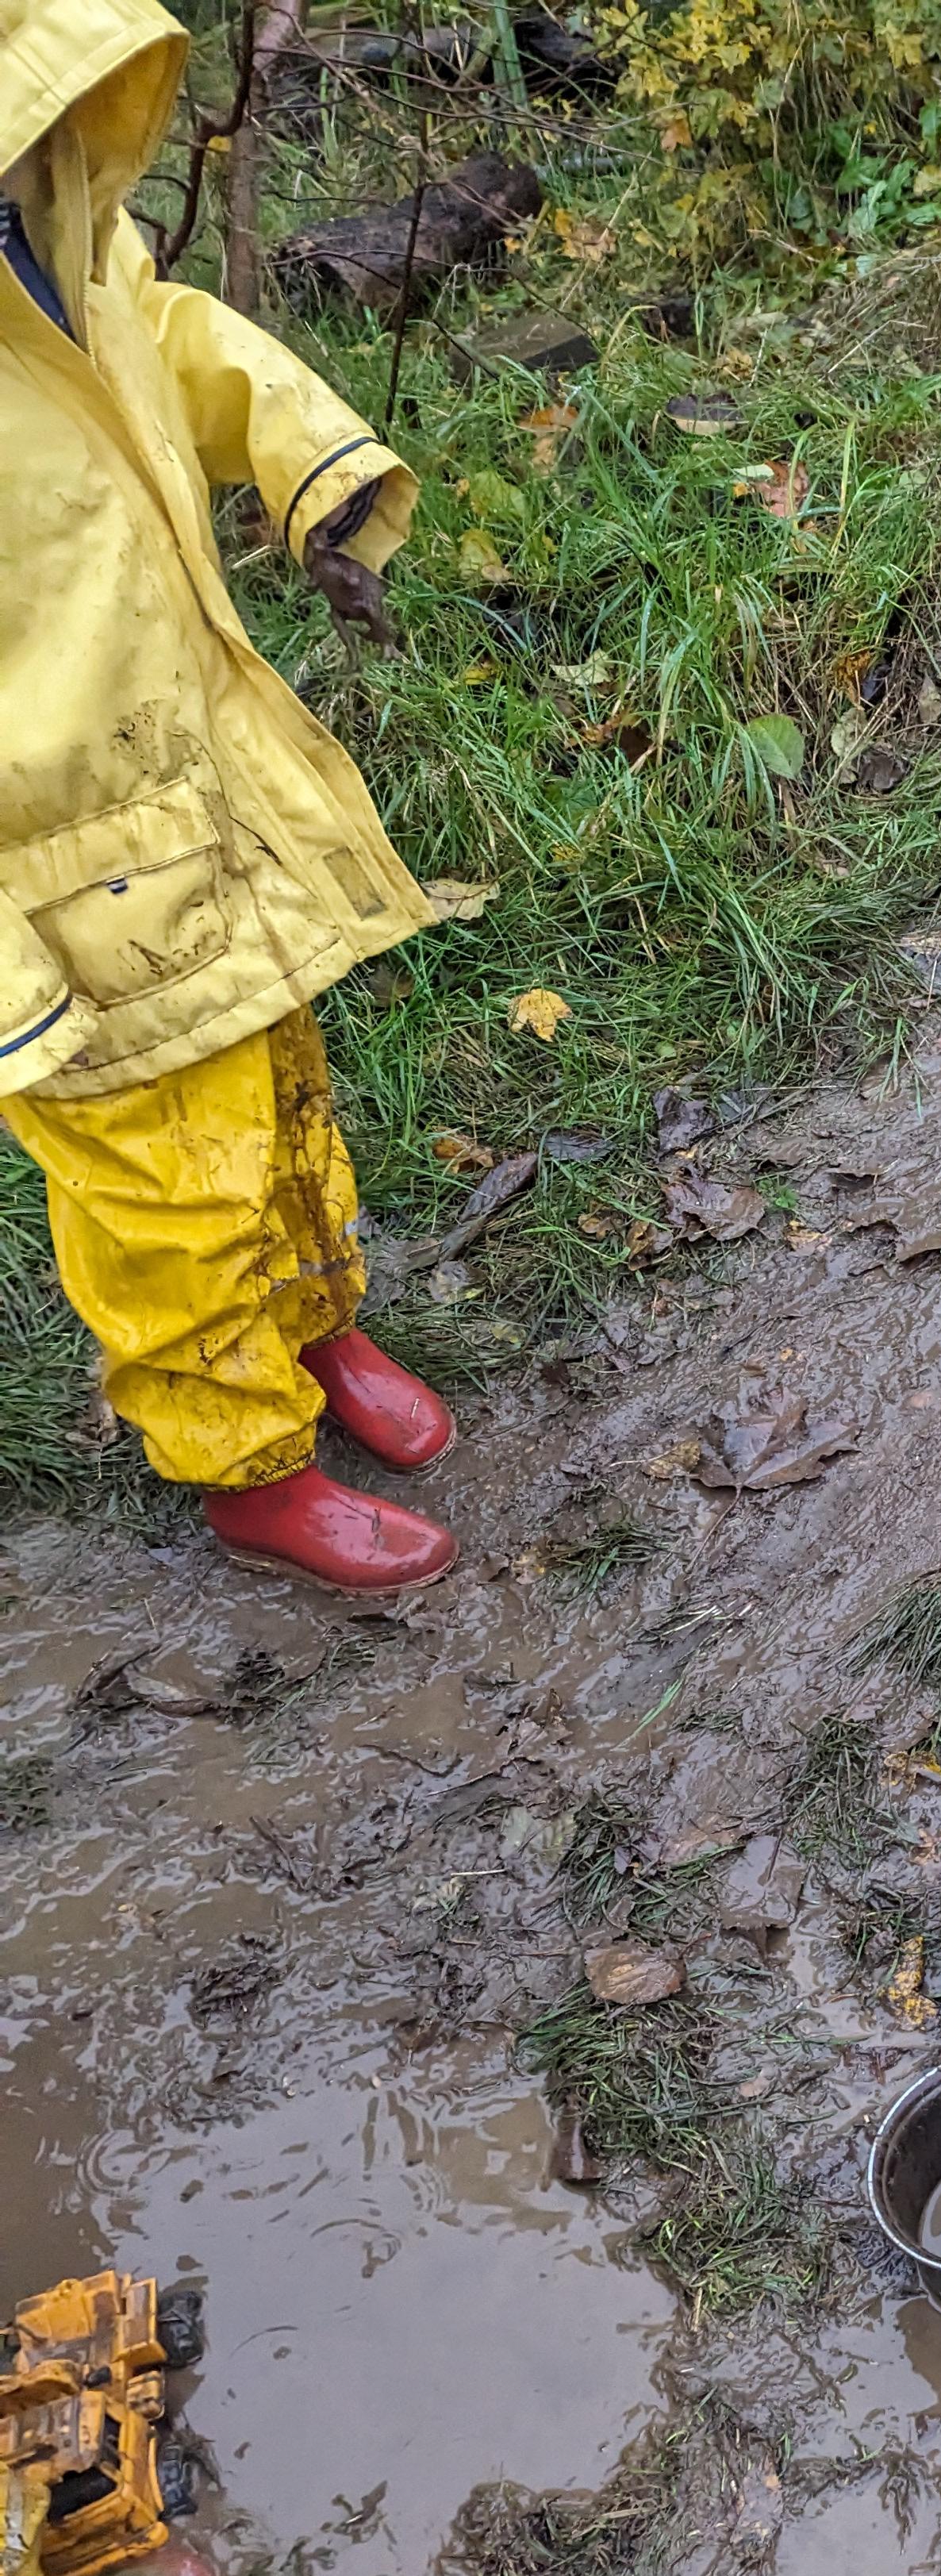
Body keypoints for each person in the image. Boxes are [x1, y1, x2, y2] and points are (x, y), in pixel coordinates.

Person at [0, 0, 459, 1595]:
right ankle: (243, 1459)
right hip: (48, 887)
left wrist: (305, 452)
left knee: (275, 1100)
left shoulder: (56, 224)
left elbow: (164, 333)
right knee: (162, 1195)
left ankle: (315, 1326)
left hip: (196, 796)